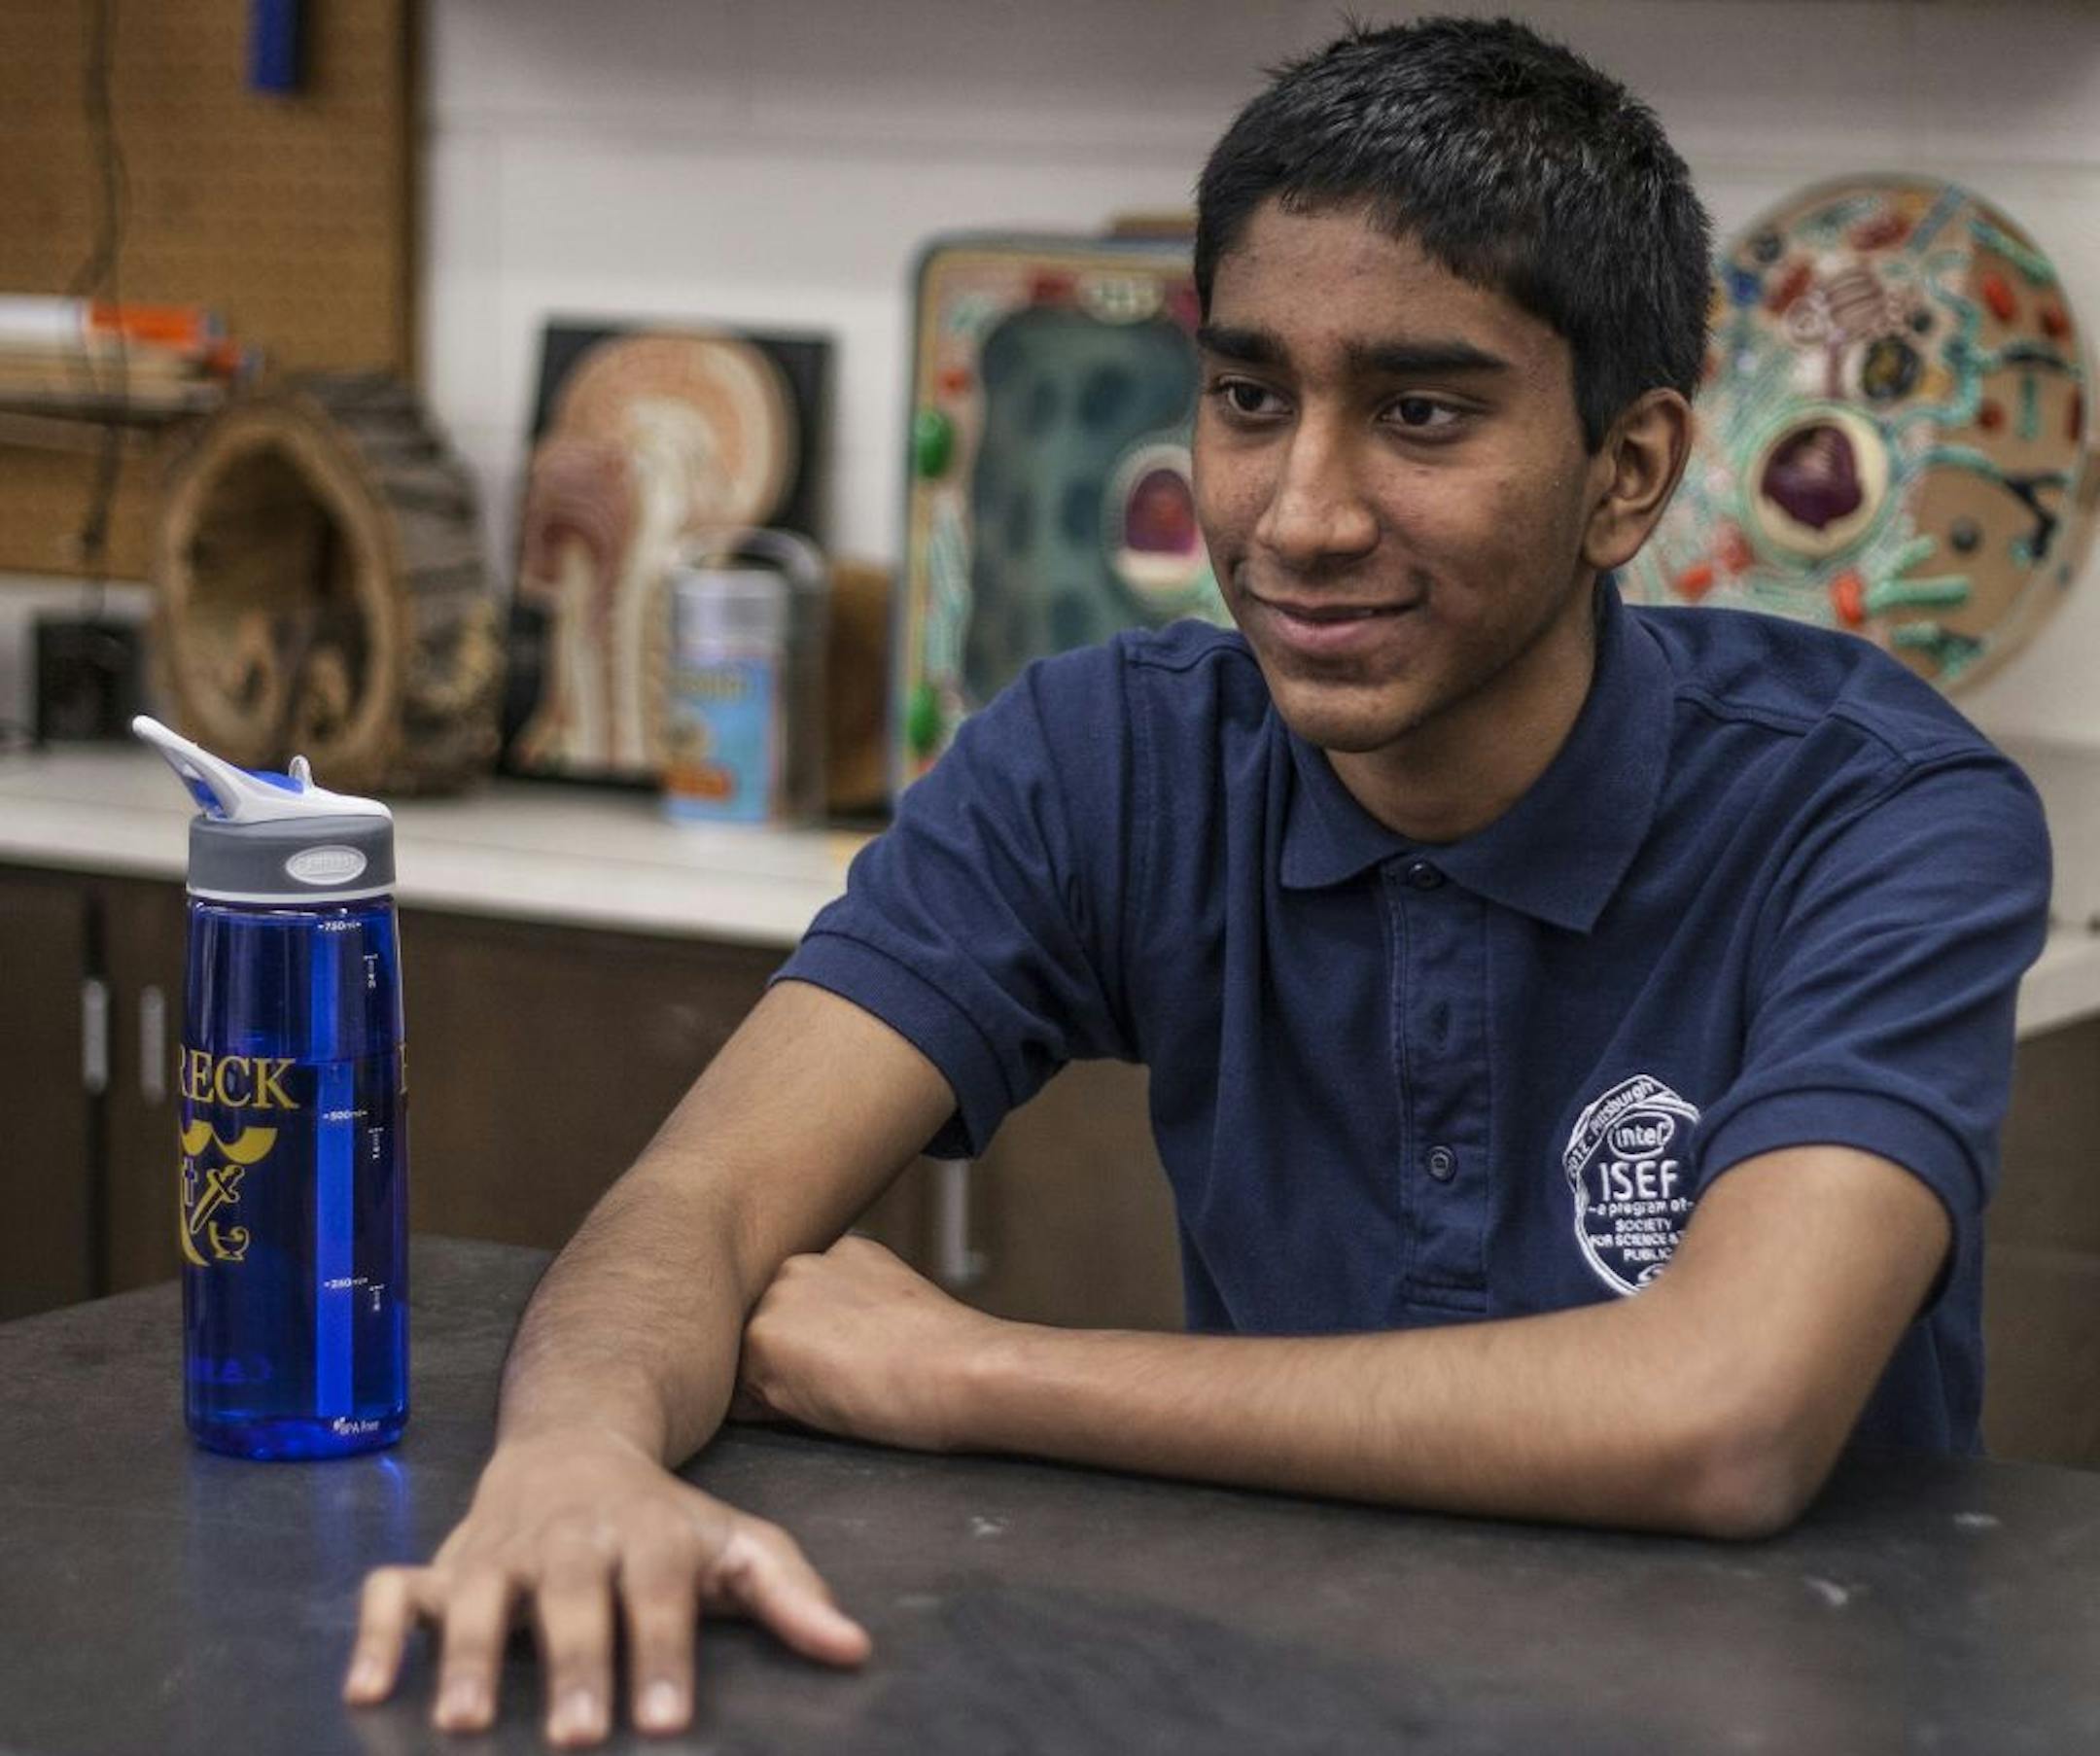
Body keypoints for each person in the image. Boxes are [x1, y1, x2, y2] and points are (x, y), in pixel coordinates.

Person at [344, 17, 2050, 1746]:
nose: (1301, 512)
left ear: (1629, 471)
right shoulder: (1109, 760)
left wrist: (972, 1370)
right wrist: (573, 1461)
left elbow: (1727, 1407)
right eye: (1249, 397)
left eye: (1423, 413)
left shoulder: (1880, 814)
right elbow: (693, 1210)